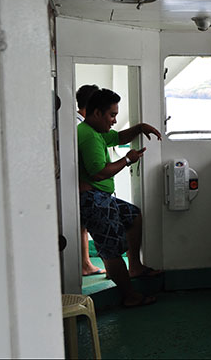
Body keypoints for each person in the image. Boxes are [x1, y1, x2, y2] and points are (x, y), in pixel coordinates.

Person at [78, 88, 163, 307]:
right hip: (93, 201)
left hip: (101, 196)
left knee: (132, 215)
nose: (115, 120)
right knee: (112, 249)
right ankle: (129, 296)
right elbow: (99, 172)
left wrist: (140, 127)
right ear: (97, 113)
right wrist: (126, 160)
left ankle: (134, 267)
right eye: (112, 115)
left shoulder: (95, 131)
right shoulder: (88, 136)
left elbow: (117, 137)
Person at [75, 84, 104, 276]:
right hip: (81, 185)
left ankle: (85, 263)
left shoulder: (74, 121)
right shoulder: (80, 126)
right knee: (86, 224)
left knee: (82, 225)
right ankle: (86, 264)